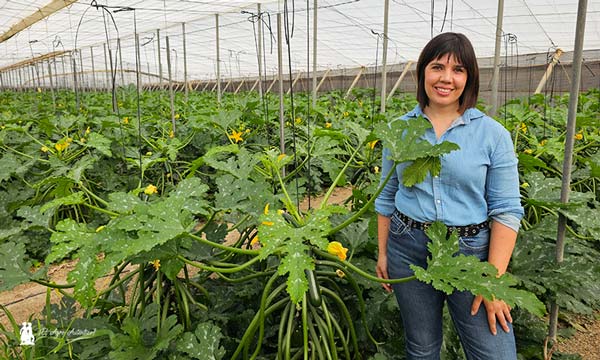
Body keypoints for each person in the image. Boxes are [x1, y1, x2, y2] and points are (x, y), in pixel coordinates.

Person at [374, 32, 524, 360]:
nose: (446, 78)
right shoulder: (398, 129)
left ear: (469, 78)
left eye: (458, 70)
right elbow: (386, 197)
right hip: (407, 246)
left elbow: (507, 210)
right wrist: (383, 252)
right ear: (422, 73)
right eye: (437, 66)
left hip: (470, 255)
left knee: (495, 353)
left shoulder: (493, 135)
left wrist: (492, 280)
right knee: (422, 346)